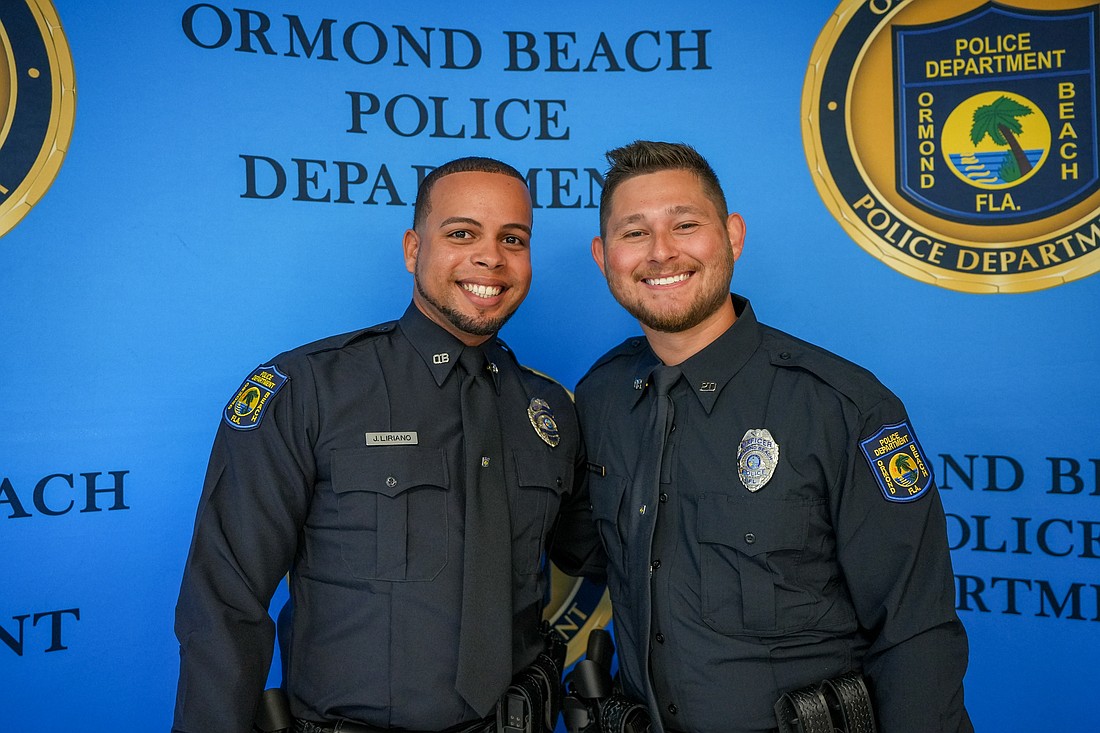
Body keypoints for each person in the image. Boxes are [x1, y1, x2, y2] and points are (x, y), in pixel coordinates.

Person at [173, 156, 599, 733]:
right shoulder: (309, 389)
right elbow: (225, 598)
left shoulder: (549, 411)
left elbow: (604, 551)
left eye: (513, 239)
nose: (490, 257)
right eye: (461, 233)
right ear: (412, 249)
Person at [574, 141, 972, 733]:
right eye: (635, 234)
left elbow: (915, 631)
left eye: (685, 225)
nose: (662, 252)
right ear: (604, 255)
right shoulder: (601, 397)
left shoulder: (844, 407)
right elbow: (576, 549)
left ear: (732, 236)